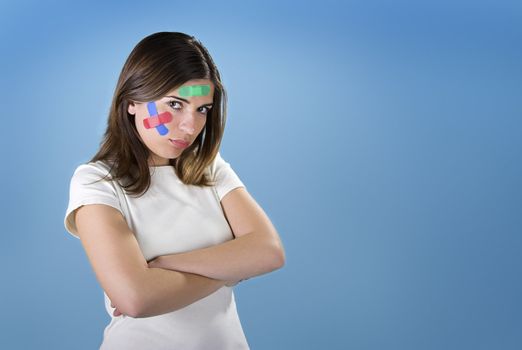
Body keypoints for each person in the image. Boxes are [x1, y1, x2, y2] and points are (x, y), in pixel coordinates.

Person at [63, 31, 285, 350]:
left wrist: (163, 264)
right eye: (175, 104)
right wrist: (231, 268)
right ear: (132, 103)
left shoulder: (208, 168)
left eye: (202, 110)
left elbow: (269, 252)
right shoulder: (97, 182)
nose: (190, 126)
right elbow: (135, 298)